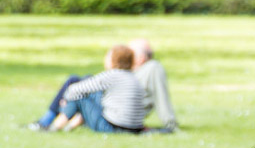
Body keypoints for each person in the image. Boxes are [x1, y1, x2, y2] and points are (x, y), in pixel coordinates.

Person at [28, 38, 177, 132]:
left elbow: (76, 91)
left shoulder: (148, 69)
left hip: (116, 122)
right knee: (81, 81)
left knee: (77, 91)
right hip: (131, 124)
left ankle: (52, 127)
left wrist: (66, 101)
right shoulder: (132, 77)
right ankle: (64, 125)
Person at [47, 45, 145, 133]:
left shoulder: (112, 75)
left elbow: (75, 89)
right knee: (94, 94)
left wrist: (65, 100)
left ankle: (54, 127)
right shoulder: (134, 78)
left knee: (79, 98)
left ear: (114, 59)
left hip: (112, 127)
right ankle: (70, 126)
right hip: (134, 128)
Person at [129, 38, 178, 132]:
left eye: (129, 54)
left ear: (141, 57)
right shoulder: (130, 73)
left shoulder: (152, 69)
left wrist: (170, 123)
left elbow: (161, 97)